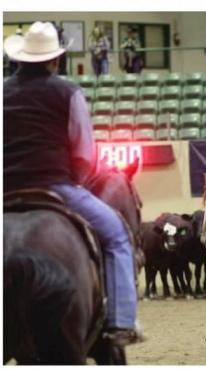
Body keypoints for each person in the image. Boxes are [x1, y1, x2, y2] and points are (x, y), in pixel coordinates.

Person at [3, 21, 144, 346]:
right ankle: (121, 322)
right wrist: (77, 182)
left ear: (20, 58)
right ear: (55, 60)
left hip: (4, 191)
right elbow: (83, 152)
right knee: (118, 235)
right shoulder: (68, 92)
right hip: (56, 187)